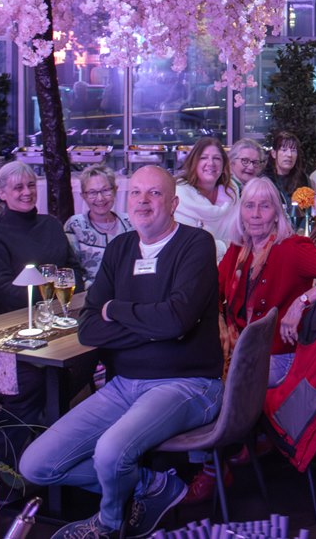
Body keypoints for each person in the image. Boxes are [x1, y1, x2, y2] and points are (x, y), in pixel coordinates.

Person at [20, 166, 224, 539]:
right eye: (136, 193)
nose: (143, 201)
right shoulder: (120, 249)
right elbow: (88, 329)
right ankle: (152, 485)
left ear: (173, 203)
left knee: (111, 451)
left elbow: (175, 320)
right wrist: (157, 328)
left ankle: (109, 524)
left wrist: (115, 309)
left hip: (188, 384)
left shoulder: (196, 244)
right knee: (36, 464)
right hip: (123, 385)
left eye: (155, 193)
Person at [218, 177, 316, 387]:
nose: (255, 214)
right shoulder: (238, 249)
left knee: (227, 385)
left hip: (278, 357)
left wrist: (301, 301)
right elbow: (213, 289)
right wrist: (219, 318)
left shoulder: (291, 248)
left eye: (265, 206)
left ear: (276, 214)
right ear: (241, 212)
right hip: (239, 350)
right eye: (249, 206)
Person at [0, 161, 83, 313]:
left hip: (64, 307)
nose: (27, 192)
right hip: (19, 315)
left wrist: (61, 299)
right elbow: (3, 290)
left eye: (31, 185)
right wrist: (51, 298)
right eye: (18, 187)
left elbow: (74, 271)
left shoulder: (52, 224)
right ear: (2, 193)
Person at [65, 165, 133, 287]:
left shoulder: (130, 223)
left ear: (115, 190)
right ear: (83, 196)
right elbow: (72, 272)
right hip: (87, 294)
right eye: (92, 193)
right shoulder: (75, 226)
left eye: (105, 190)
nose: (100, 198)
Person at [173, 138, 238, 260]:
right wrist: (224, 246)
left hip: (229, 265)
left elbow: (239, 236)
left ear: (224, 164)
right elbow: (189, 246)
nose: (211, 163)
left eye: (217, 158)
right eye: (203, 158)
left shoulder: (232, 194)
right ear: (194, 162)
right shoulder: (179, 196)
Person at [267, 131, 306, 203]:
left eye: (293, 150)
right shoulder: (265, 180)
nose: (289, 155)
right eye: (284, 150)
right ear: (274, 154)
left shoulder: (303, 180)